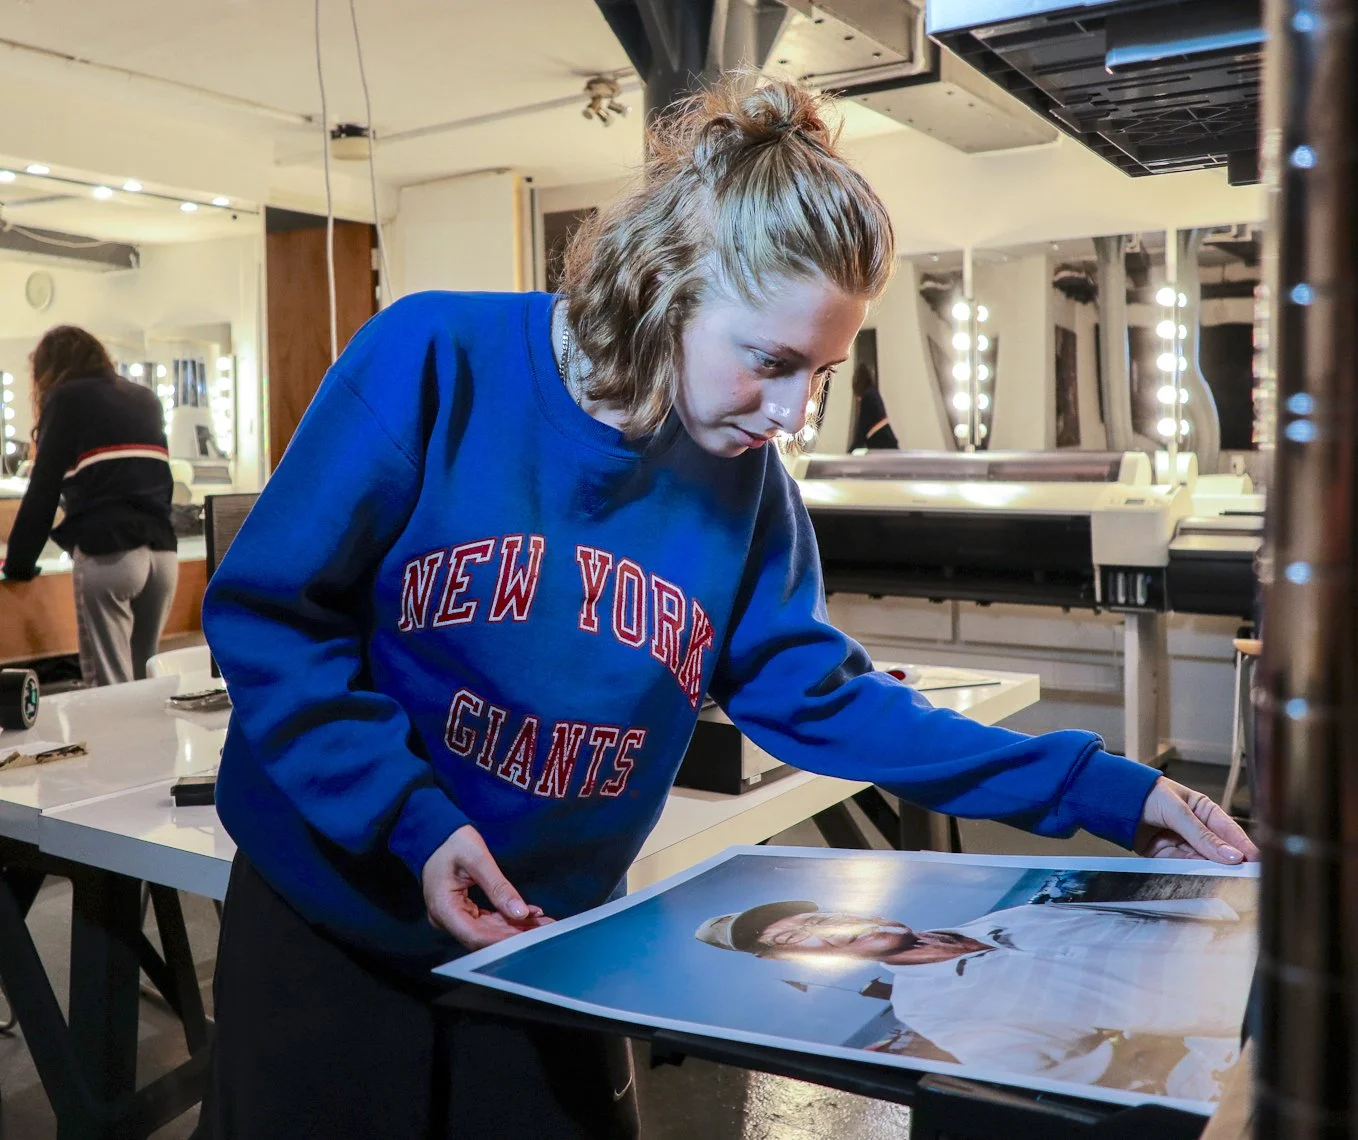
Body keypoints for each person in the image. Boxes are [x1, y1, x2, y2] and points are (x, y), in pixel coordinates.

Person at [200, 77, 1256, 1140]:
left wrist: (1102, 789)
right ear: (663, 286)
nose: (795, 414)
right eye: (771, 363)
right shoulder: (432, 361)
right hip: (331, 912)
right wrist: (412, 820)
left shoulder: (745, 484)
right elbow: (272, 618)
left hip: (540, 932)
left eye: (822, 374)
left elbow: (824, 700)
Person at [696, 895, 1253, 1098]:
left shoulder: (1020, 916)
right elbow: (1081, 1084)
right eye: (796, 939)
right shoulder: (936, 1010)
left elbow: (1216, 914)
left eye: (817, 917)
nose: (830, 930)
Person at [1, 326, 178, 685]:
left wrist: (18, 563)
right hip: (164, 557)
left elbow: (43, 492)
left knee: (109, 692)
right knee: (149, 686)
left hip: (110, 553)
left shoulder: (67, 399)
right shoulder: (144, 398)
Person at [848, 361, 898, 450]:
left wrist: (851, 451)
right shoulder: (873, 393)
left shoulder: (868, 397)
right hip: (887, 444)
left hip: (883, 446)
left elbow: (862, 429)